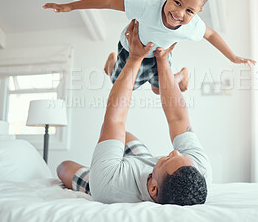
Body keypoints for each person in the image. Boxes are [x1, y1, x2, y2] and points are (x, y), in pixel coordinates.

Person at [57, 19, 212, 205]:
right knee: (124, 136)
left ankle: (104, 163)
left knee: (62, 167)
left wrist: (135, 58)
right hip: (143, 161)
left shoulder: (110, 185)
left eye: (170, 158)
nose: (174, 151)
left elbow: (115, 119)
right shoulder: (199, 170)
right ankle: (112, 70)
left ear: (153, 189)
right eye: (180, 155)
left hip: (114, 175)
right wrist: (163, 60)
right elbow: (178, 118)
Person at [43, 0, 256, 95]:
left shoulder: (193, 25)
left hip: (159, 53)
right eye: (177, 2)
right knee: (121, 86)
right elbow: (108, 2)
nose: (180, 13)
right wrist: (69, 6)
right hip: (131, 50)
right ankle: (111, 62)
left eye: (189, 10)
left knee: (157, 90)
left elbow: (211, 34)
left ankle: (182, 75)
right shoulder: (146, 6)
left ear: (198, 12)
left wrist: (234, 57)